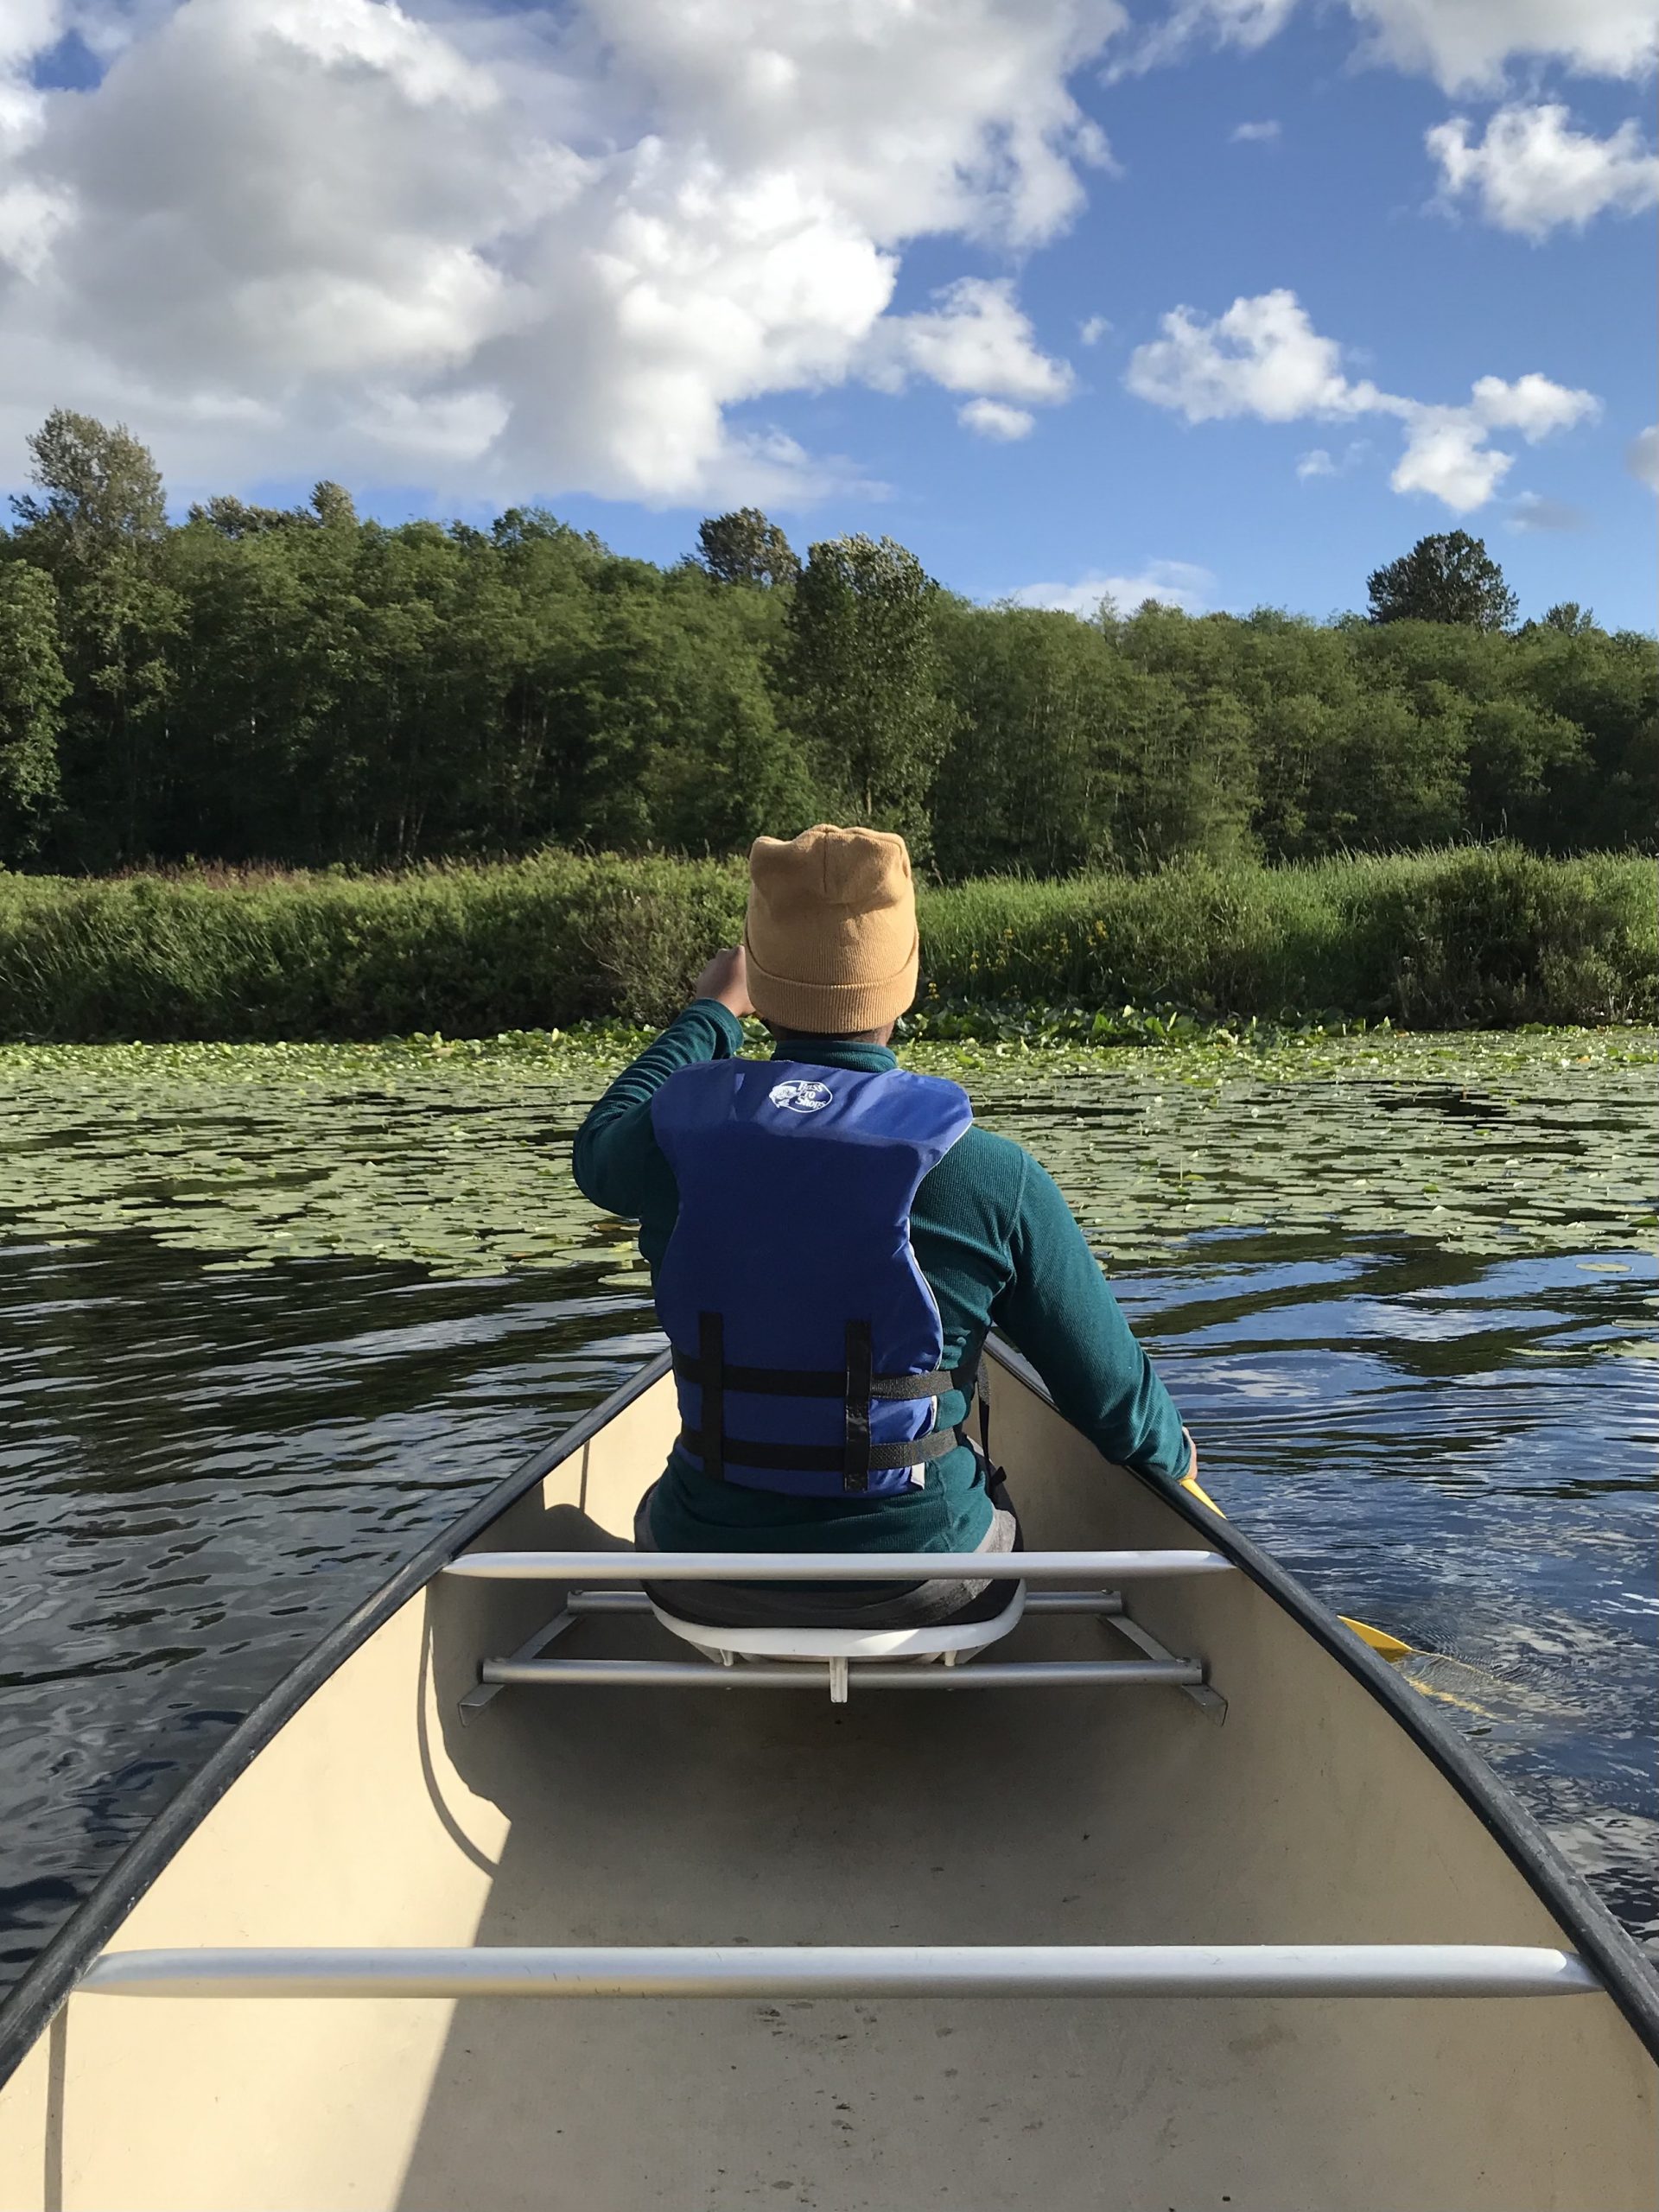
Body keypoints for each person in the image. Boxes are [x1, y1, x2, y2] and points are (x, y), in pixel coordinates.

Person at [572, 823, 1194, 1629]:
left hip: (700, 1567)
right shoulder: (990, 1174)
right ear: (904, 983)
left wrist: (708, 1014)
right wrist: (1177, 1466)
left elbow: (597, 1147)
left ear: (756, 979)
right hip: (926, 1581)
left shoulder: (664, 1147)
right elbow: (1114, 1400)